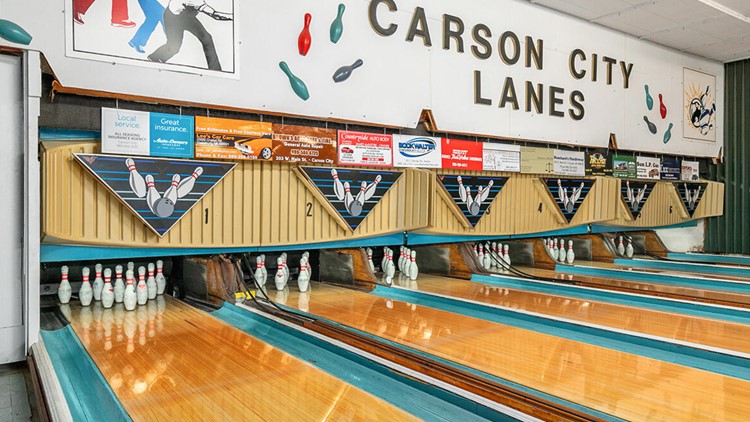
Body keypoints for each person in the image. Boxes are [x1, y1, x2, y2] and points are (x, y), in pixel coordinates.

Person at [147, 1, 232, 71]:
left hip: (186, 17)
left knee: (207, 38)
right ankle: (154, 57)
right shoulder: (194, 1)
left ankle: (215, 69)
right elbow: (216, 16)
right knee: (174, 46)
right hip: (172, 19)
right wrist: (233, 16)